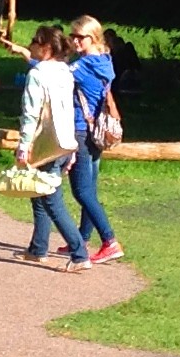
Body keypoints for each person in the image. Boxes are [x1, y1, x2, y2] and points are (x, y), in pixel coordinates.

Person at [13, 25, 90, 270]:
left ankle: (80, 254)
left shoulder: (37, 75)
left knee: (52, 199)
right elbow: (68, 110)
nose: (31, 45)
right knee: (39, 193)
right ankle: (38, 248)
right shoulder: (65, 72)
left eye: (35, 41)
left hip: (44, 143)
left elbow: (31, 113)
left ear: (46, 47)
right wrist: (72, 147)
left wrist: (24, 146)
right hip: (62, 142)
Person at [67, 17, 124, 263]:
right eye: (73, 36)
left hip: (81, 128)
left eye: (81, 37)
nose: (75, 41)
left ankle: (109, 240)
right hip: (97, 131)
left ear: (94, 37)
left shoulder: (83, 66)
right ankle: (82, 238)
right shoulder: (105, 61)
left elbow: (55, 75)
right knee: (89, 189)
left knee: (82, 191)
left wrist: (30, 57)